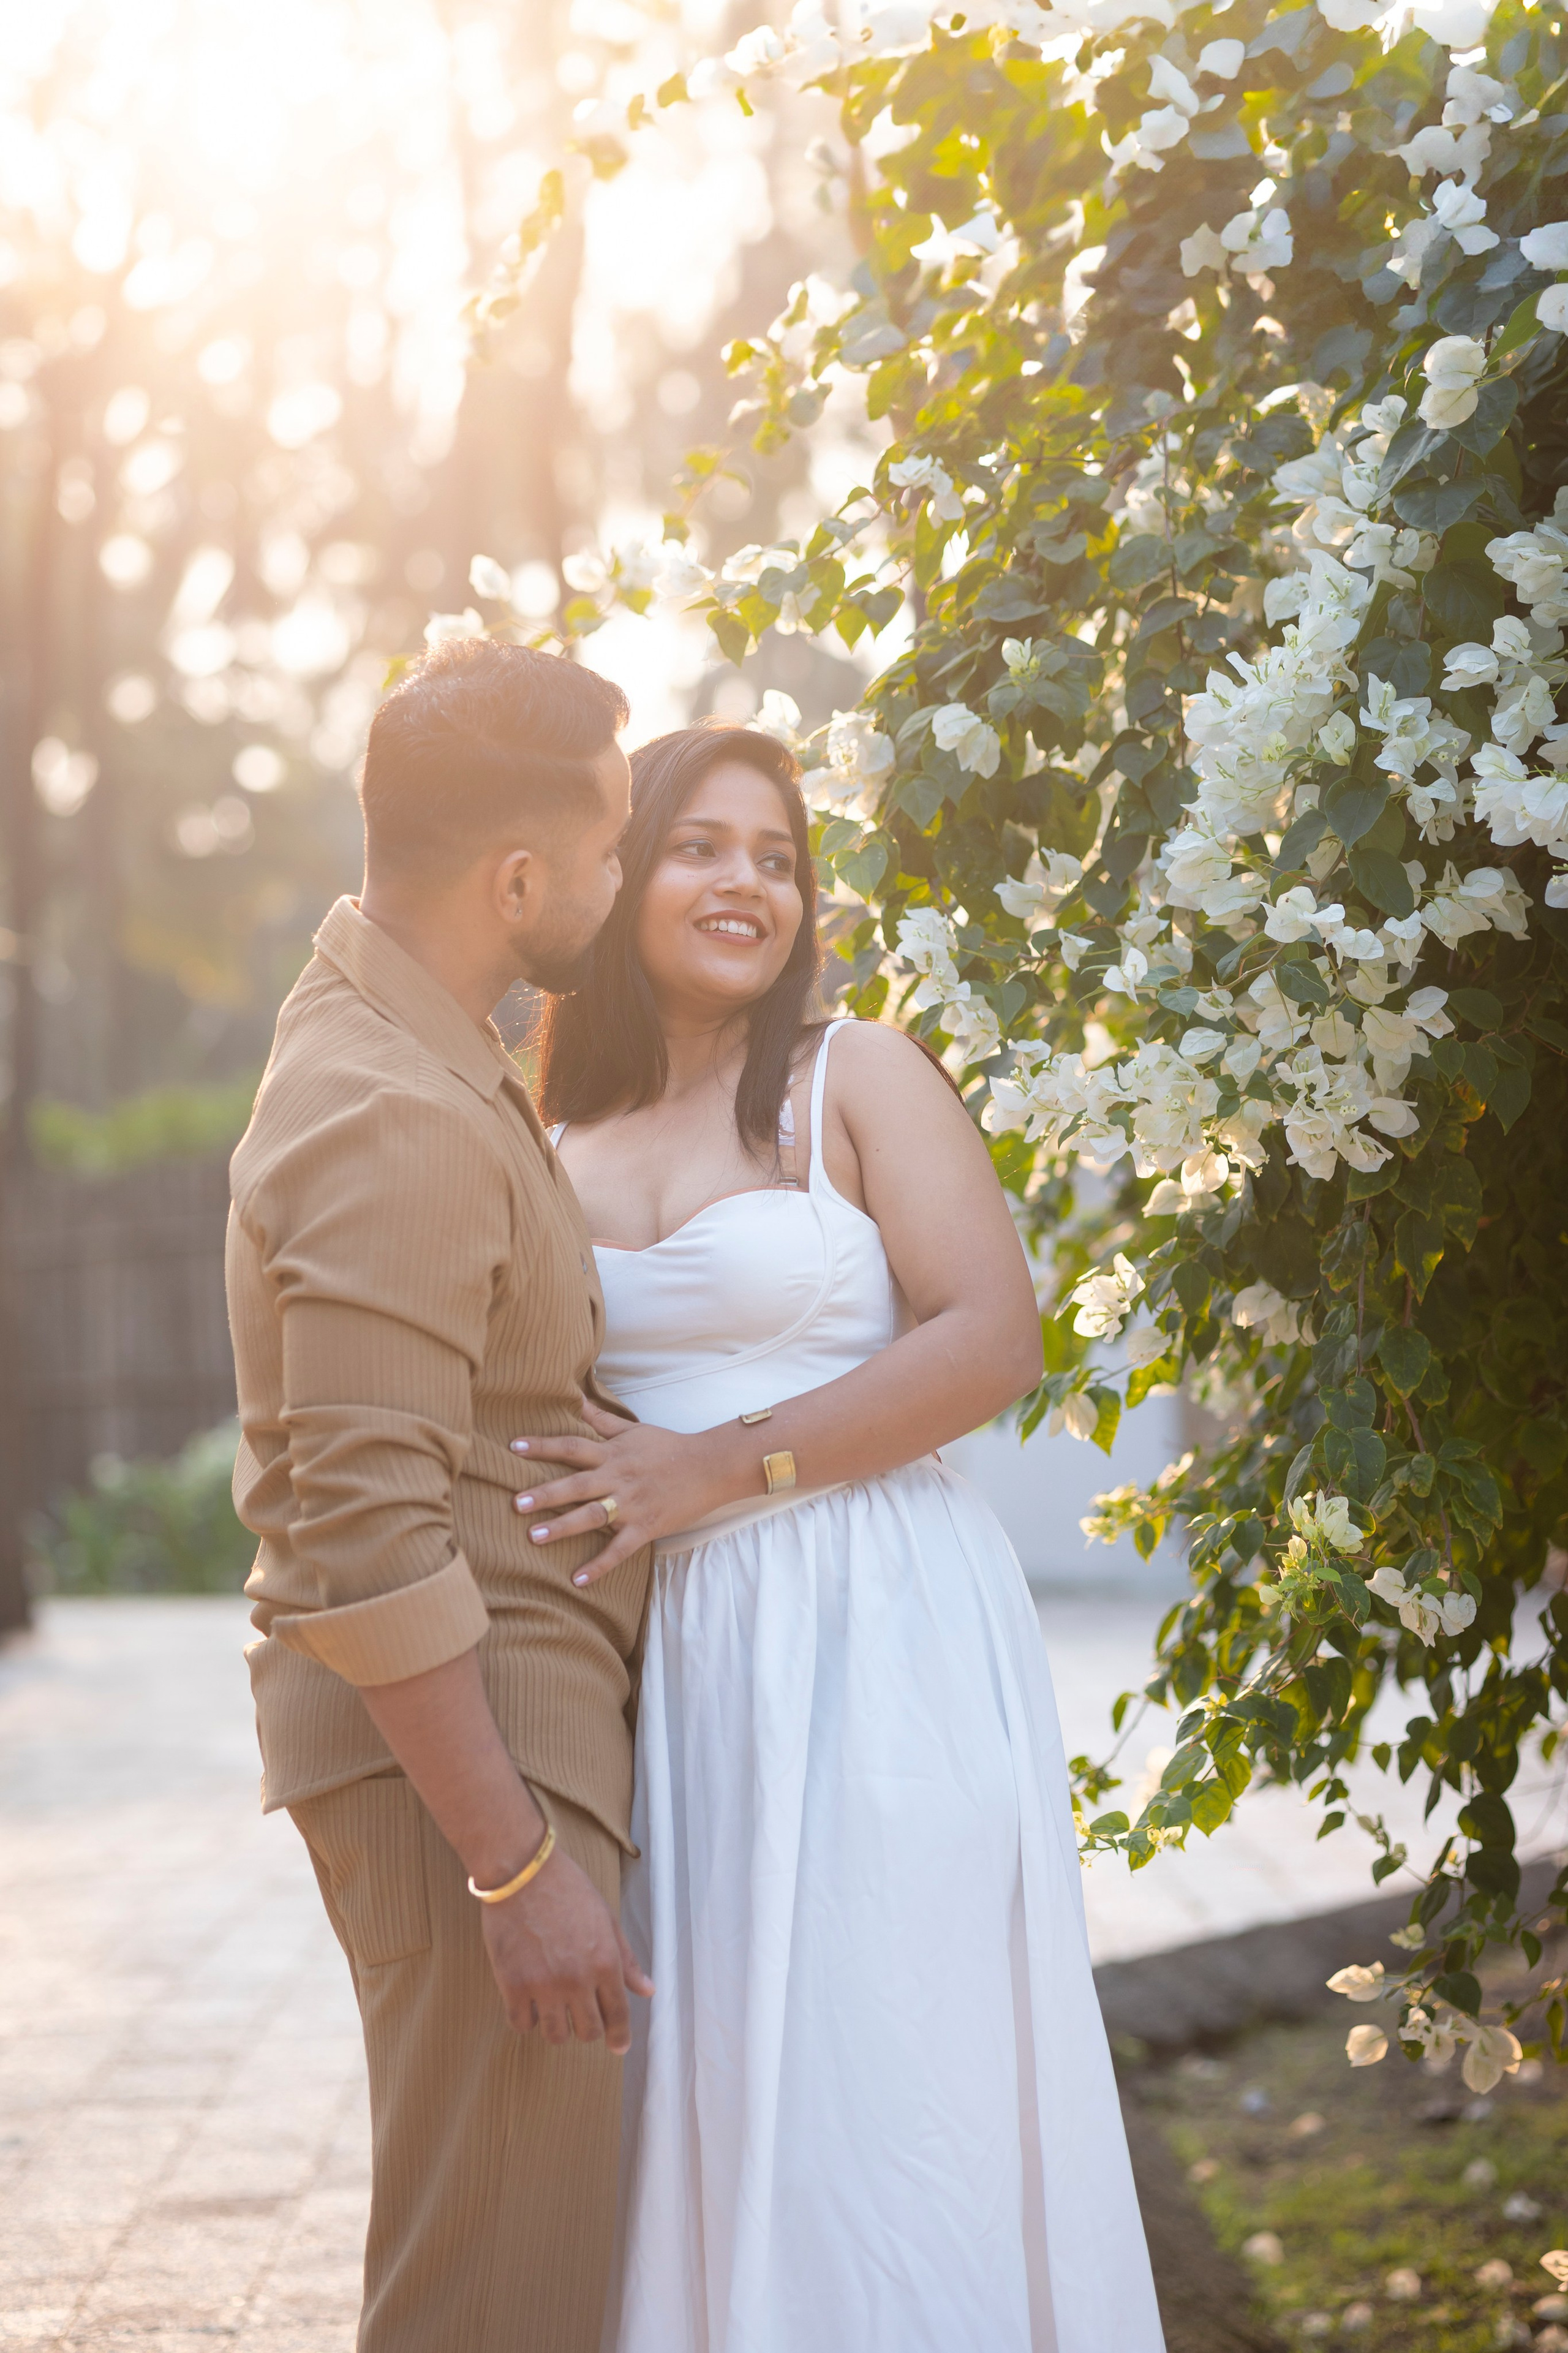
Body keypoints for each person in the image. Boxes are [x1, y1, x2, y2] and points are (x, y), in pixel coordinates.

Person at [521, 719, 1166, 2353]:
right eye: (701, 847)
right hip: (678, 1668)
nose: (748, 883)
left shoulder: (853, 1075)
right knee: (725, 2079)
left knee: (891, 2071)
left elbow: (992, 1339)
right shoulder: (544, 1141)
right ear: (620, 875)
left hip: (879, 1623)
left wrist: (716, 1470)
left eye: (779, 857)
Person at [226, 637, 655, 2353]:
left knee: (516, 2256)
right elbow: (363, 1530)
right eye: (612, 847)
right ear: (520, 879)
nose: (621, 884)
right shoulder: (389, 1105)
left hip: (501, 1741)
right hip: (475, 1767)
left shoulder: (421, 1048)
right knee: (490, 2290)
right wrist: (512, 1866)